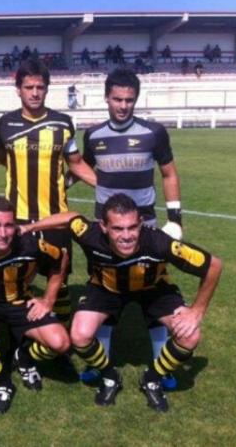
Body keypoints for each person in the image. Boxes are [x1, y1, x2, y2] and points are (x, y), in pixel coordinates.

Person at [22, 194, 222, 412]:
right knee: (79, 335)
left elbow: (213, 266)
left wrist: (197, 311)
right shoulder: (90, 234)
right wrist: (27, 229)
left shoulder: (160, 243)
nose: (127, 236)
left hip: (153, 290)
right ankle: (109, 375)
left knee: (190, 335)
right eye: (118, 228)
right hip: (106, 289)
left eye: (132, 227)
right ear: (104, 227)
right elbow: (71, 218)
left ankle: (152, 378)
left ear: (140, 224)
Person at [0, 60, 96, 330]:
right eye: (28, 87)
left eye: (40, 87)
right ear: (18, 89)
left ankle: (60, 333)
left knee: (59, 279)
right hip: (16, 219)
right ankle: (22, 337)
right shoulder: (6, 123)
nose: (35, 92)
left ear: (47, 89)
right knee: (16, 279)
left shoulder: (63, 124)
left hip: (57, 218)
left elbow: (75, 163)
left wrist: (106, 185)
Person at [81, 68, 184, 388]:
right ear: (106, 98)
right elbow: (82, 167)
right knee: (104, 289)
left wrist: (175, 220)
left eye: (129, 99)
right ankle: (101, 365)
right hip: (106, 231)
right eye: (117, 99)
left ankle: (161, 366)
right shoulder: (93, 136)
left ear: (136, 99)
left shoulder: (154, 132)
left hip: (145, 229)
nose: (123, 105)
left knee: (154, 291)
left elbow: (169, 174)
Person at [0, 197, 70, 414]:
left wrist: (48, 299)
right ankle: (1, 382)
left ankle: (23, 357)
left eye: (9, 225)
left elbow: (61, 259)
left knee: (61, 343)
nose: (3, 233)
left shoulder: (30, 245)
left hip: (19, 303)